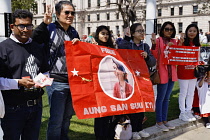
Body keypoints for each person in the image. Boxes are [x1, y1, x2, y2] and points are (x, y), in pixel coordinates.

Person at [32, 1, 79, 140]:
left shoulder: (73, 31)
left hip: (72, 81)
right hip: (55, 80)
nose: (70, 15)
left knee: (67, 118)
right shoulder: (49, 28)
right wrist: (44, 24)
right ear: (58, 14)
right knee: (56, 120)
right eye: (67, 12)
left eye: (72, 13)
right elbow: (35, 39)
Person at [0, 9, 49, 140]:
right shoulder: (3, 48)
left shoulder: (37, 47)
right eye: (21, 25)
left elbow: (45, 70)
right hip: (13, 108)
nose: (26, 29)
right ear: (12, 26)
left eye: (29, 26)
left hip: (36, 106)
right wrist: (18, 83)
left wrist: (43, 80)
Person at [118, 23, 156, 139]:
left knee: (141, 105)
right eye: (139, 31)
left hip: (142, 79)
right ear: (133, 33)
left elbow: (153, 62)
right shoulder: (127, 44)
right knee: (132, 105)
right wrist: (127, 36)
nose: (142, 33)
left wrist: (147, 57)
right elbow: (120, 48)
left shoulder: (145, 46)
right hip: (130, 79)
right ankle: (133, 131)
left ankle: (140, 128)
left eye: (142, 30)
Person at [151, 21, 178, 132]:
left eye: (171, 29)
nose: (169, 31)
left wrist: (179, 45)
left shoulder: (174, 41)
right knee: (161, 98)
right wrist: (154, 44)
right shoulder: (158, 41)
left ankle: (165, 120)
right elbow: (153, 55)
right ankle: (159, 121)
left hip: (172, 73)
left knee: (167, 99)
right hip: (162, 73)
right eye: (166, 29)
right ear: (162, 30)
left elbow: (177, 55)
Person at [93, 25, 116, 140]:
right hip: (99, 86)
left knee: (112, 115)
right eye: (103, 33)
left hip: (111, 85)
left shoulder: (112, 49)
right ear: (97, 35)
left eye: (107, 34)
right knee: (100, 115)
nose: (105, 36)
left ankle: (110, 136)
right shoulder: (92, 48)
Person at [177, 24, 200, 122]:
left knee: (191, 93)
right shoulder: (182, 42)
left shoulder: (197, 44)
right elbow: (177, 52)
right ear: (186, 32)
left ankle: (188, 111)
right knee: (183, 93)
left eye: (194, 31)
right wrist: (180, 43)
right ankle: (182, 113)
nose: (192, 33)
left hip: (193, 72)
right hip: (183, 71)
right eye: (190, 31)